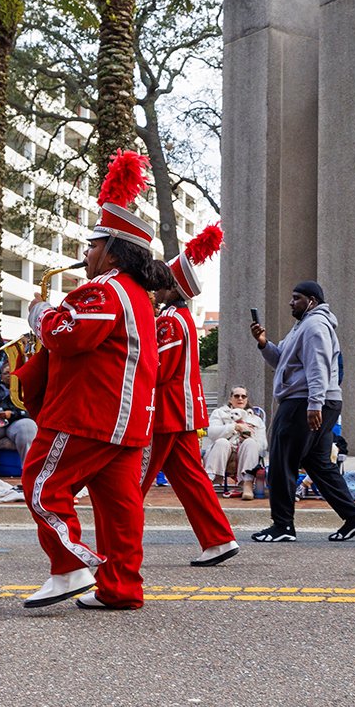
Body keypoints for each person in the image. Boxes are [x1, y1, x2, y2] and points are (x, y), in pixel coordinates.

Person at [17, 151, 165, 610]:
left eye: (91, 244)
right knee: (120, 512)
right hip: (126, 420)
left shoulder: (105, 288)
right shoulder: (138, 294)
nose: (85, 254)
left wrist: (41, 314)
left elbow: (69, 334)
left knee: (40, 485)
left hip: (89, 413)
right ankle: (121, 588)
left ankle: (69, 567)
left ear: (112, 249)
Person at [141, 225, 237, 568]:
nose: (155, 291)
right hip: (179, 412)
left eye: (161, 287)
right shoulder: (178, 318)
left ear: (172, 289)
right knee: (189, 478)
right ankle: (218, 539)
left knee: (132, 482)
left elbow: (159, 369)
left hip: (167, 412)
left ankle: (116, 545)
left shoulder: (169, 321)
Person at [249, 281, 355, 543]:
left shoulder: (314, 326)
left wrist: (315, 403)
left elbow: (319, 365)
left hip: (305, 401)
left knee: (282, 462)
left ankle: (282, 526)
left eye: (297, 298)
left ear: (312, 301)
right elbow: (282, 360)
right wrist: (263, 343)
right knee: (319, 465)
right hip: (315, 400)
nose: (291, 302)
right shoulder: (302, 325)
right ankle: (354, 519)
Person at [204, 388, 266, 496]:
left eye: (243, 396)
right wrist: (235, 427)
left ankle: (247, 483)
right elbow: (212, 433)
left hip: (245, 454)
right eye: (237, 396)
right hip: (222, 453)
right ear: (230, 399)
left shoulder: (256, 419)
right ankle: (209, 481)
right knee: (222, 442)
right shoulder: (219, 413)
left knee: (250, 443)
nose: (240, 399)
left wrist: (249, 437)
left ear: (247, 400)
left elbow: (263, 444)